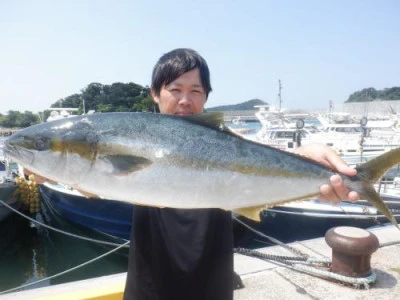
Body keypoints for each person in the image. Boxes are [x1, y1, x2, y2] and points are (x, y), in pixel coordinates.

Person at [123, 48, 359, 300]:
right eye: (175, 89)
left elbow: (259, 159)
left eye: (195, 90)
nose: (184, 99)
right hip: (148, 288)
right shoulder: (136, 142)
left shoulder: (227, 143)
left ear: (206, 97)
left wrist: (306, 157)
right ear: (155, 93)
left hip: (212, 287)